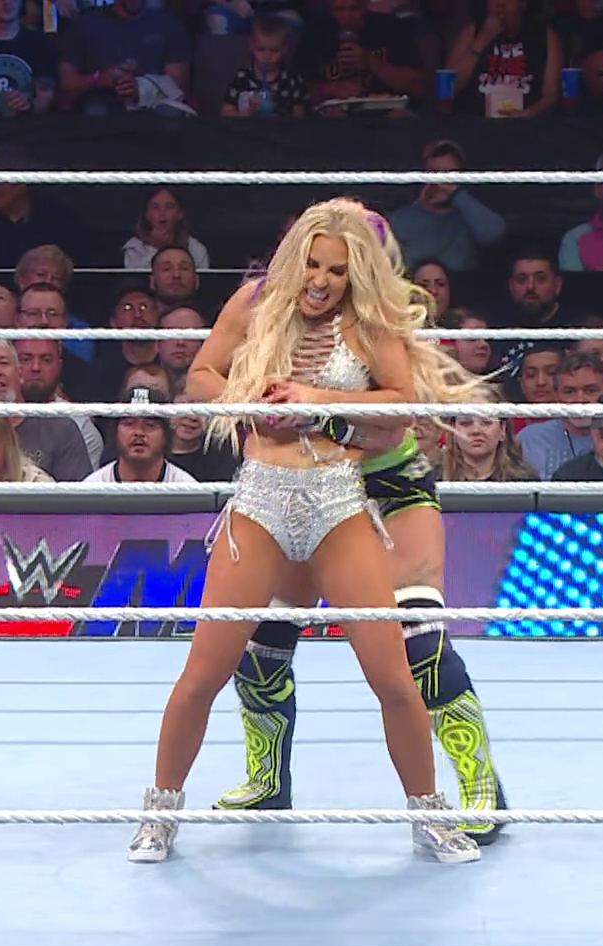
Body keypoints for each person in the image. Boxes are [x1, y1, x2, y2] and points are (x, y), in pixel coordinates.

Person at [130, 199, 484, 865]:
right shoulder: (256, 302)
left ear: (356, 275)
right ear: (295, 259)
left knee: (392, 676)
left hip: (337, 503)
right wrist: (251, 398)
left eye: (337, 271)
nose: (321, 281)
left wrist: (320, 402)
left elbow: (401, 403)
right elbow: (200, 376)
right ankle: (160, 813)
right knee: (205, 671)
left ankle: (430, 815)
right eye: (313, 265)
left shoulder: (369, 323)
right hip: (261, 503)